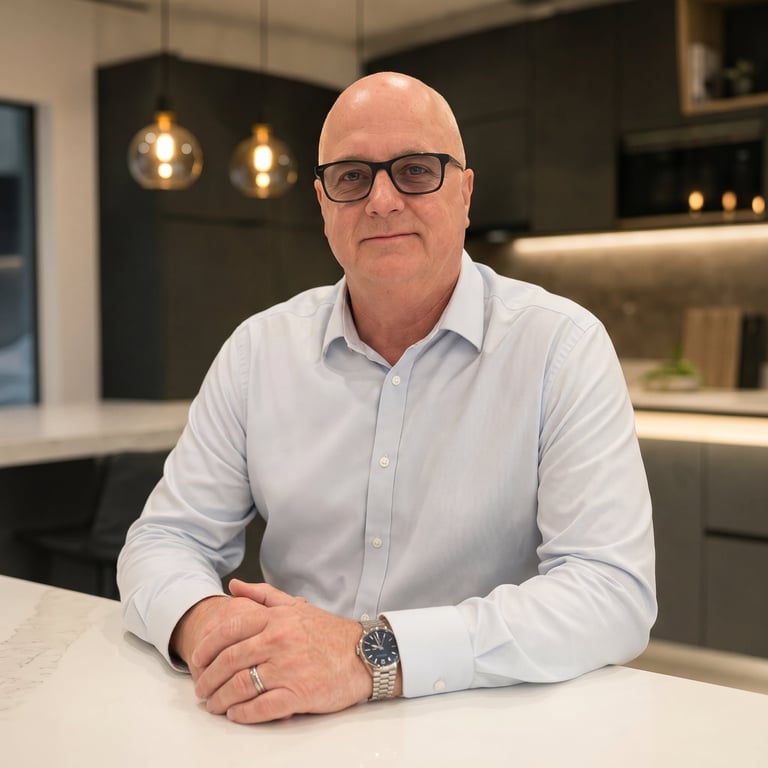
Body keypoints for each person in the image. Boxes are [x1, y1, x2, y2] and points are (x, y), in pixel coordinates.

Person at [117, 71, 656, 725]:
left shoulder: (561, 349)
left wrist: (368, 656)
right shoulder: (258, 352)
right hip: (285, 719)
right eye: (351, 177)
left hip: (483, 725)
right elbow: (165, 540)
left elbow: (611, 595)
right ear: (322, 203)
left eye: (414, 170)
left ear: (465, 191)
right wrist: (214, 630)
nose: (381, 200)